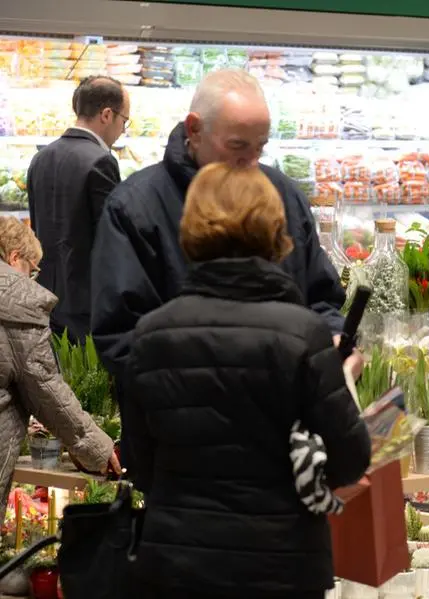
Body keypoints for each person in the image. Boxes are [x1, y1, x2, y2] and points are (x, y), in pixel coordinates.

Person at [124, 164, 370, 599]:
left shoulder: (150, 335)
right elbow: (349, 459)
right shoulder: (302, 333)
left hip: (176, 566)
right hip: (281, 565)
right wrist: (341, 383)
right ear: (274, 228)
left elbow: (141, 465)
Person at [90, 70, 353, 470]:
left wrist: (334, 343)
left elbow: (322, 297)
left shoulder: (284, 197)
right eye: (237, 146)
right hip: (182, 456)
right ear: (194, 130)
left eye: (259, 148)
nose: (250, 163)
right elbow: (120, 337)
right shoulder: (135, 208)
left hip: (285, 461)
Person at [0, 216, 120, 504]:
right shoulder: (16, 300)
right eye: (32, 270)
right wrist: (99, 449)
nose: (32, 279)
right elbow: (46, 389)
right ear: (15, 257)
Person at [27, 76, 129, 343]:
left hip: (45, 295)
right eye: (124, 121)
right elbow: (109, 239)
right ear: (107, 115)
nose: (122, 130)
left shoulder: (41, 158)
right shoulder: (101, 161)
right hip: (86, 302)